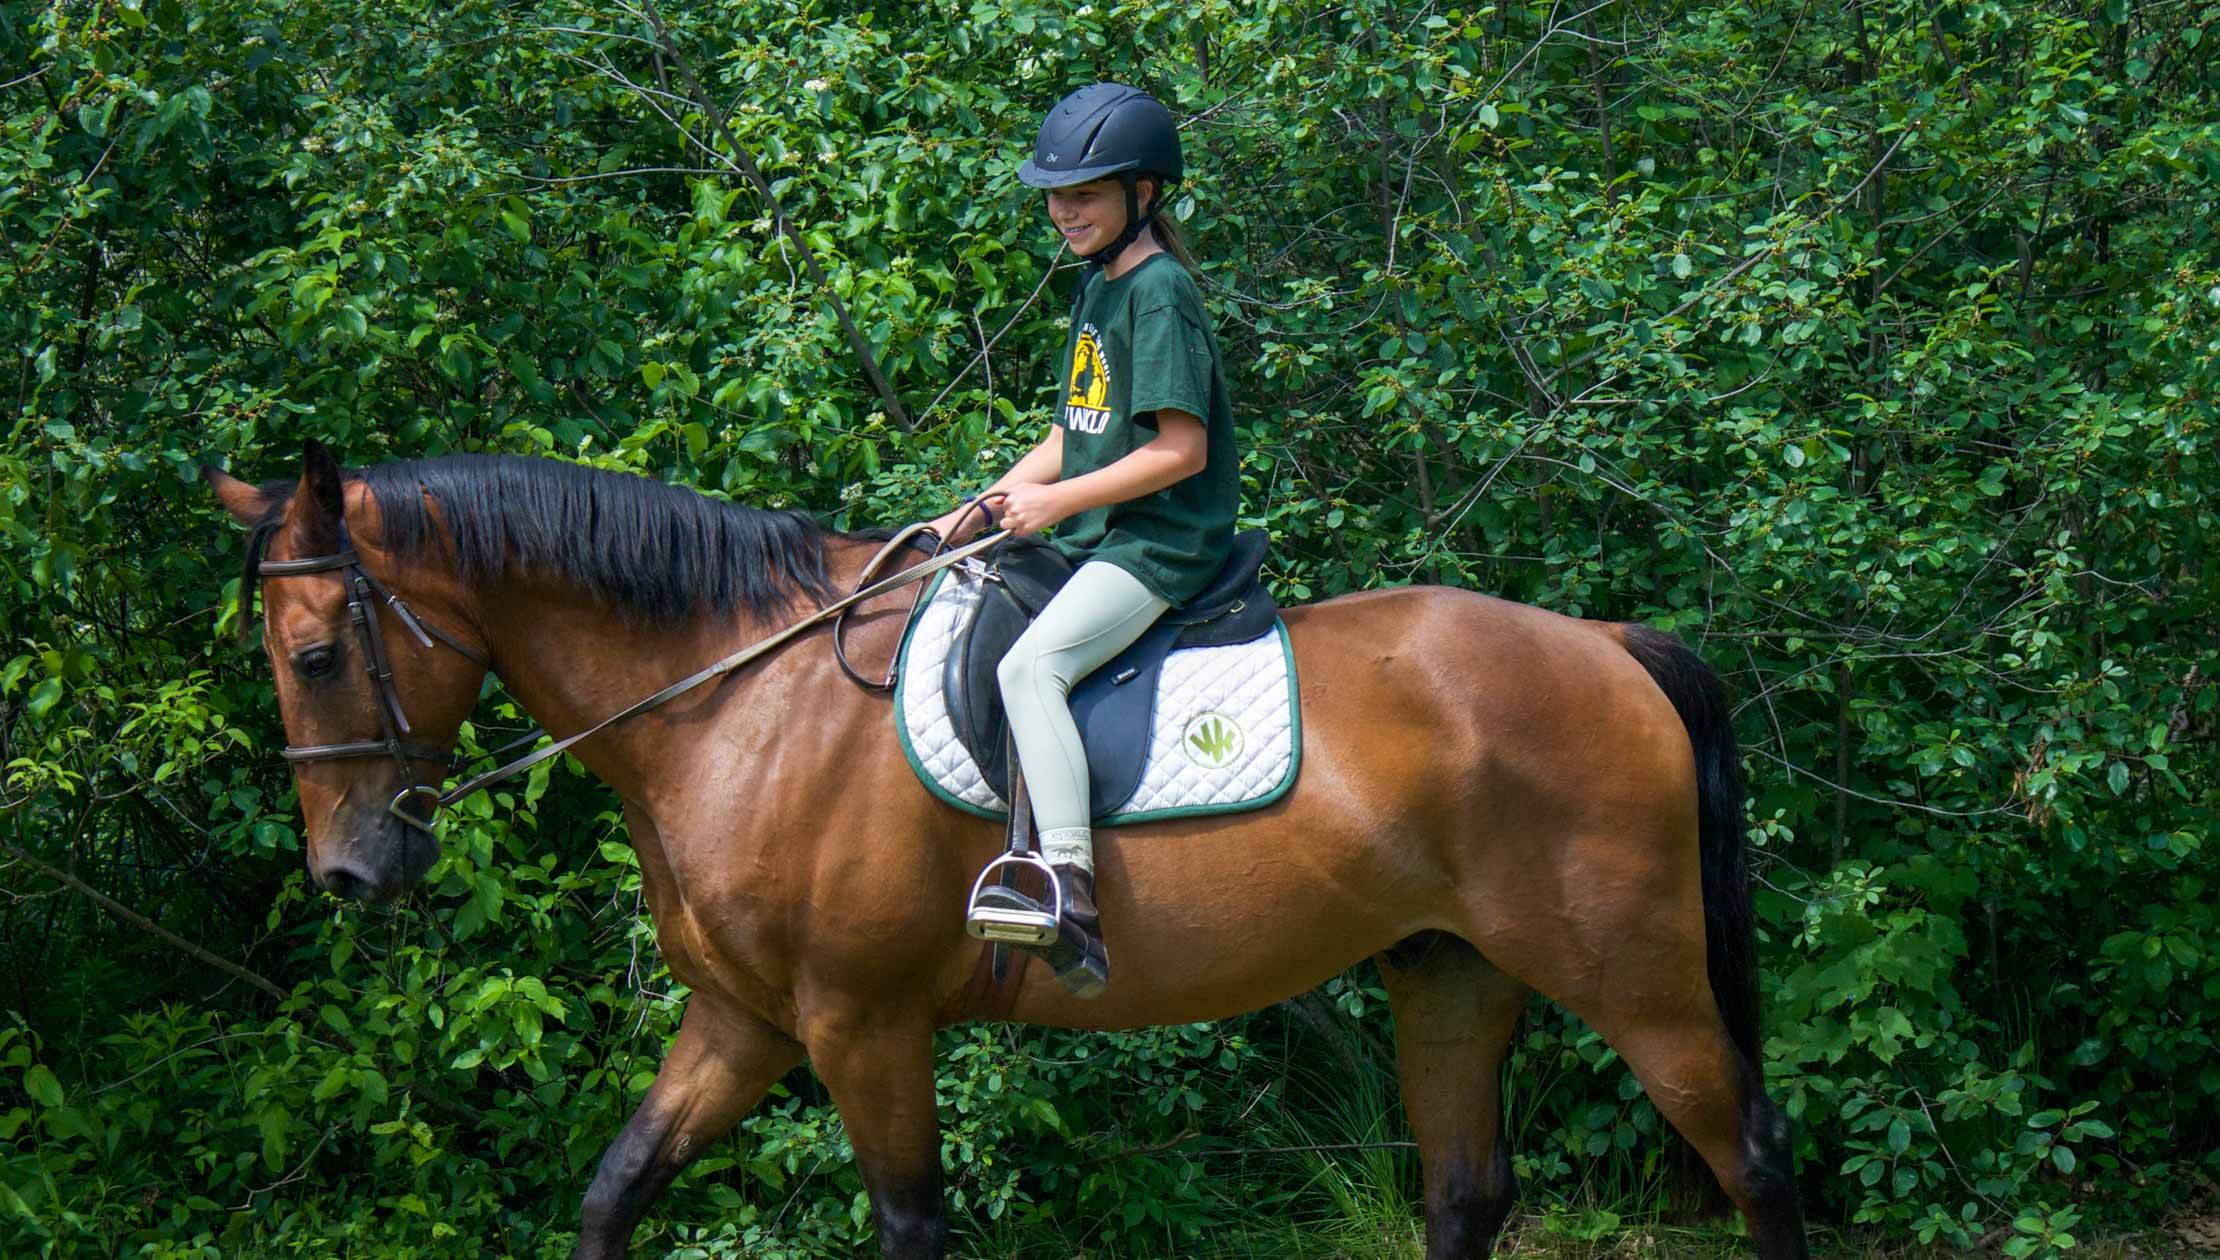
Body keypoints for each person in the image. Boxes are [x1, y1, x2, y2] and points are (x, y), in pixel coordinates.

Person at [923, 83, 1241, 998]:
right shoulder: (1099, 288)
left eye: (1087, 193)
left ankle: (1070, 891)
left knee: (1029, 670)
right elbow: (1076, 433)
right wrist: (978, 506)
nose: (1065, 211)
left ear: (1145, 194)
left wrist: (1057, 509)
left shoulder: (1159, 292)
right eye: (1057, 195)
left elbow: (1183, 451)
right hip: (1102, 533)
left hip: (1158, 544)